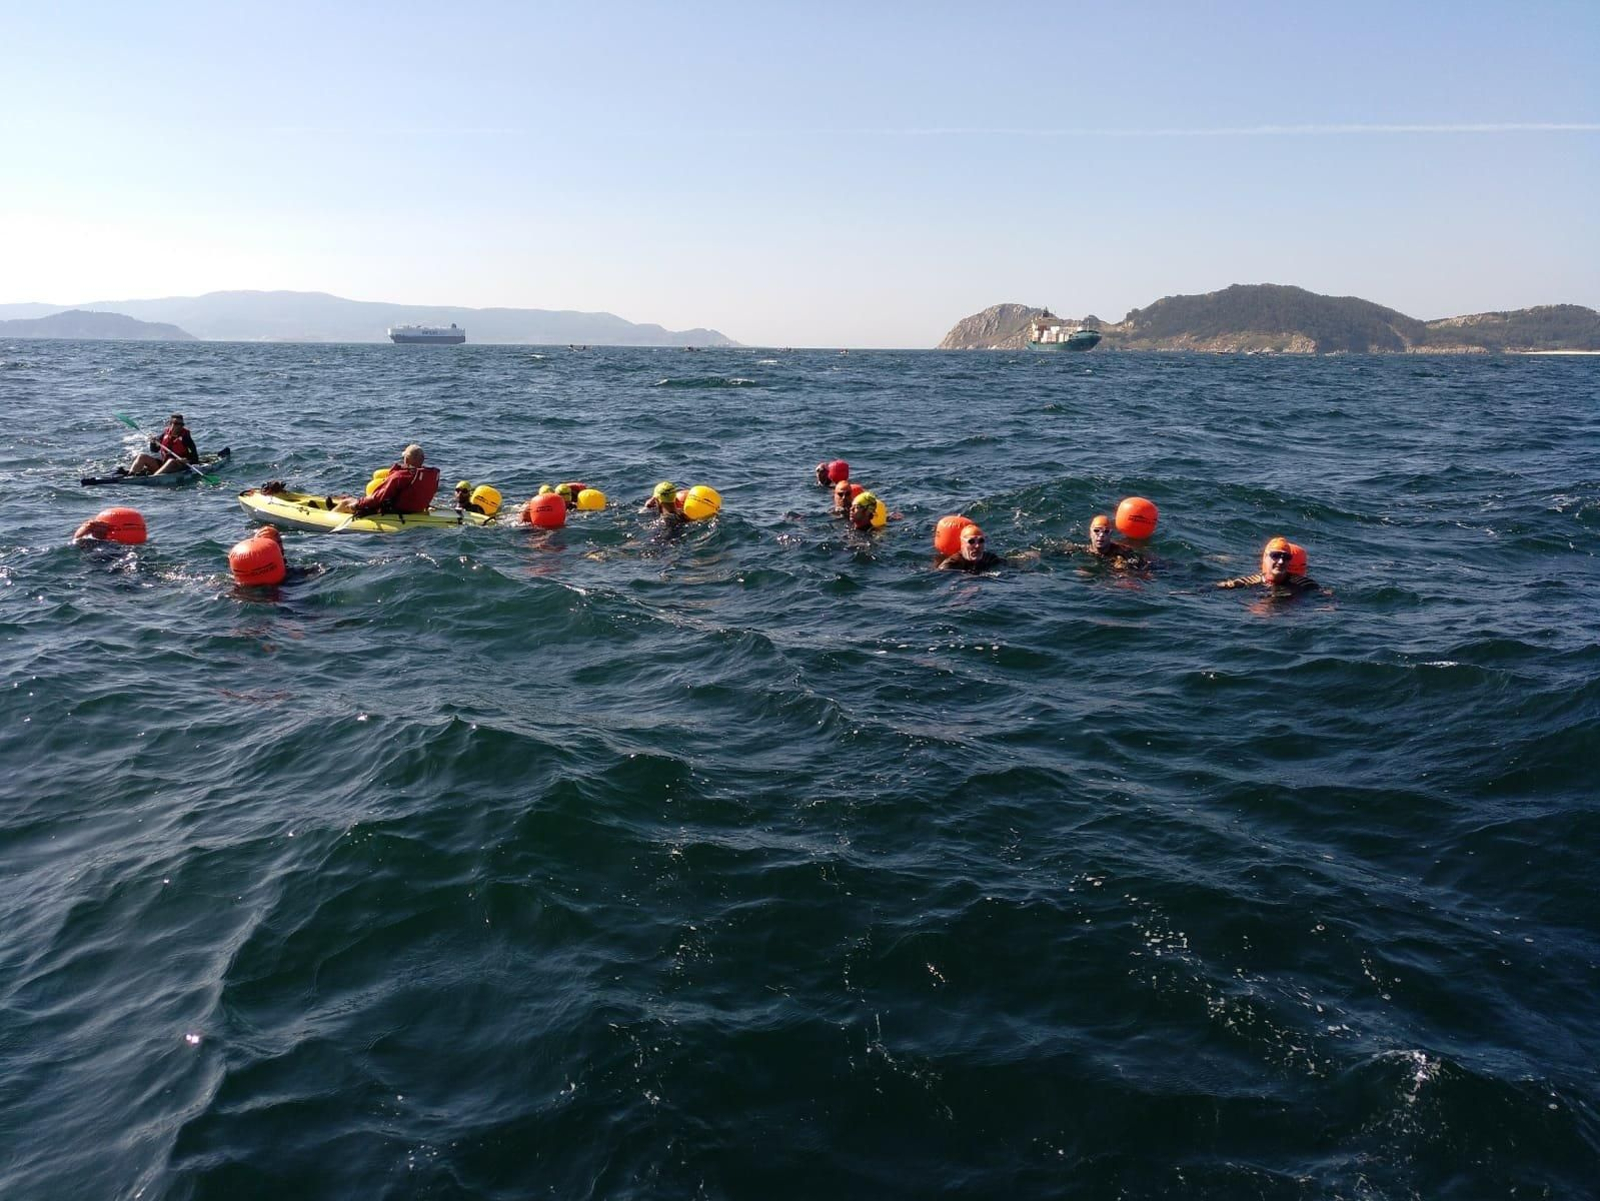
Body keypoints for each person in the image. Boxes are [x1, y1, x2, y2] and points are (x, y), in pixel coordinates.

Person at [332, 444, 439, 516]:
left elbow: (377, 498)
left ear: (406, 459)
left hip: (395, 512)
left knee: (346, 502)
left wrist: (357, 504)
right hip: (416, 510)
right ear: (423, 459)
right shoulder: (430, 475)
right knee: (347, 498)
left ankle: (329, 516)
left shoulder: (399, 476)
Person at [1217, 536, 1321, 593]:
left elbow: (1326, 598)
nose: (1281, 561)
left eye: (1286, 557)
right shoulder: (1248, 582)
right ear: (1265, 557)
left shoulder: (1305, 584)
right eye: (1275, 555)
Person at [126, 413, 198, 476]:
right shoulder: (164, 435)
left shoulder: (186, 438)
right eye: (176, 423)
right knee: (141, 456)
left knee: (171, 461)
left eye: (181, 424)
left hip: (177, 466)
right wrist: (153, 443)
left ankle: (154, 477)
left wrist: (187, 460)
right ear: (170, 424)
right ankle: (130, 475)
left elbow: (195, 458)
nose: (180, 426)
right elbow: (154, 450)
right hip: (163, 465)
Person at [937, 524, 1005, 572]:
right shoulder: (950, 565)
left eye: (981, 541)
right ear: (962, 543)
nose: (977, 546)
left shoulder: (989, 559)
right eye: (971, 541)